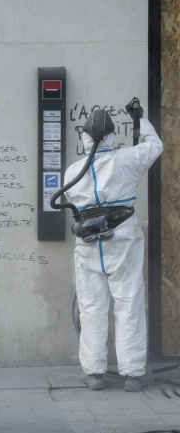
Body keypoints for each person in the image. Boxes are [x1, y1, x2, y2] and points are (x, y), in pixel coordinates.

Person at [64, 101, 163, 391]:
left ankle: (94, 374)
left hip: (88, 243)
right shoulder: (127, 159)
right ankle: (133, 374)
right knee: (128, 302)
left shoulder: (72, 172)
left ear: (84, 137)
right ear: (110, 136)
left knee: (91, 305)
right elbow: (154, 145)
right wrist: (140, 121)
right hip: (123, 241)